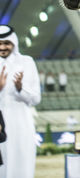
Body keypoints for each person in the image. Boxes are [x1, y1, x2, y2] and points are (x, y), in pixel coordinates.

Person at [0, 25, 41, 178]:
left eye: (6, 43)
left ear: (13, 43)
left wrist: (20, 88)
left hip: (21, 123)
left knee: (21, 164)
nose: (3, 47)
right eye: (0, 43)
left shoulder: (26, 62)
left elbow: (36, 99)